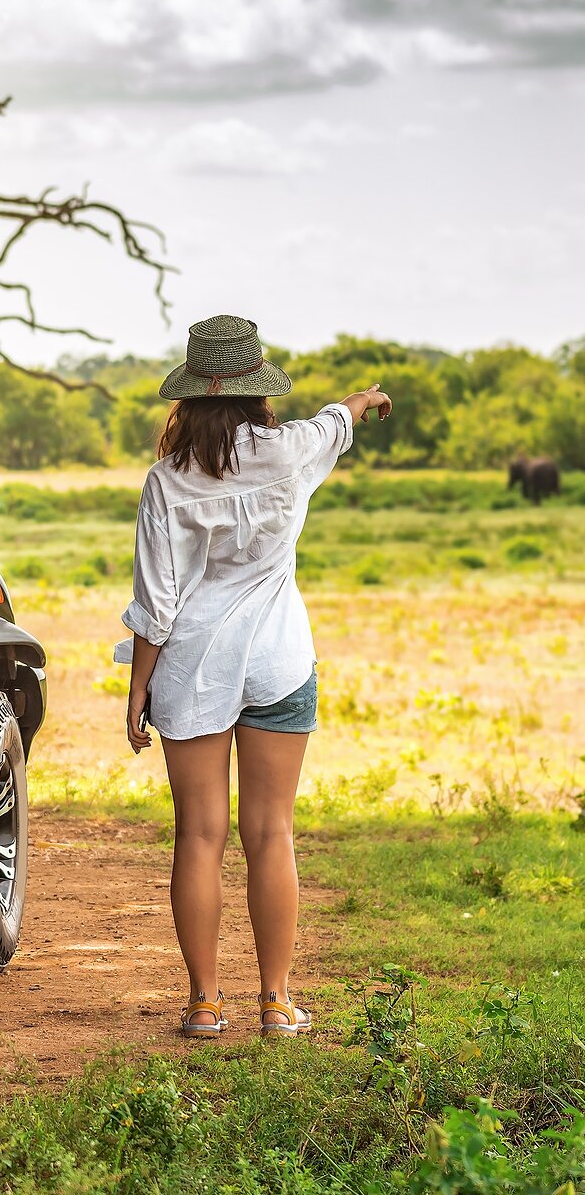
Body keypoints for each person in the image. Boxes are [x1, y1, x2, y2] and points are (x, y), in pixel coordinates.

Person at [120, 314, 391, 1039]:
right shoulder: (292, 452)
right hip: (278, 662)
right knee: (272, 832)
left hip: (191, 669)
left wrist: (137, 690)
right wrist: (362, 400)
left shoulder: (165, 482)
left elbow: (157, 602)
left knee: (198, 836)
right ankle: (276, 1002)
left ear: (188, 399)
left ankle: (205, 1003)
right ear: (258, 393)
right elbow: (334, 423)